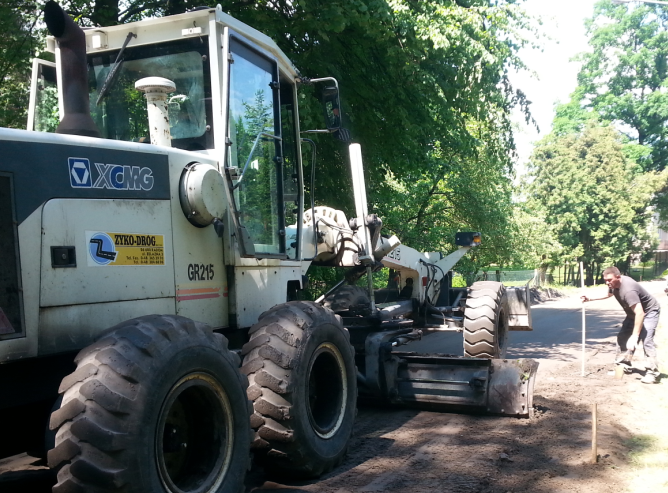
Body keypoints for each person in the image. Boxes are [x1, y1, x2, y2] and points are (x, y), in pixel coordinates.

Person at [581, 266, 661, 384]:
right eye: (606, 280)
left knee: (647, 340)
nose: (607, 283)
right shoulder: (613, 285)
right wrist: (590, 299)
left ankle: (652, 373)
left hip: (649, 312)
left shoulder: (628, 290)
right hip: (632, 314)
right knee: (623, 337)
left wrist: (634, 337)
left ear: (618, 277)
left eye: (610, 280)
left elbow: (640, 313)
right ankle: (623, 365)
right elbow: (609, 295)